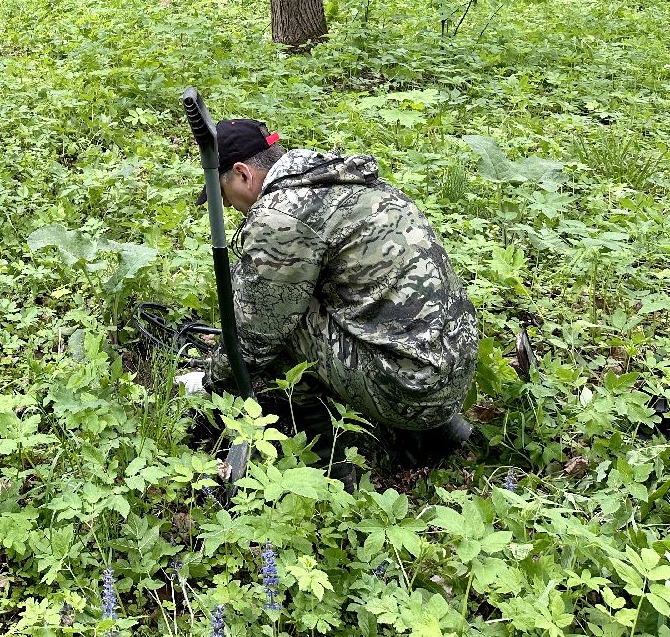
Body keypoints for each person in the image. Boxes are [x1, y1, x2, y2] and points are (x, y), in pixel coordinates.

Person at [182, 118, 478, 475]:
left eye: (222, 192)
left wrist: (210, 383)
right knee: (287, 295)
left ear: (243, 173)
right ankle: (434, 431)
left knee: (278, 313)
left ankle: (327, 463)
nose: (227, 206)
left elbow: (255, 336)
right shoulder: (343, 180)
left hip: (410, 388)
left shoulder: (281, 215)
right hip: (455, 366)